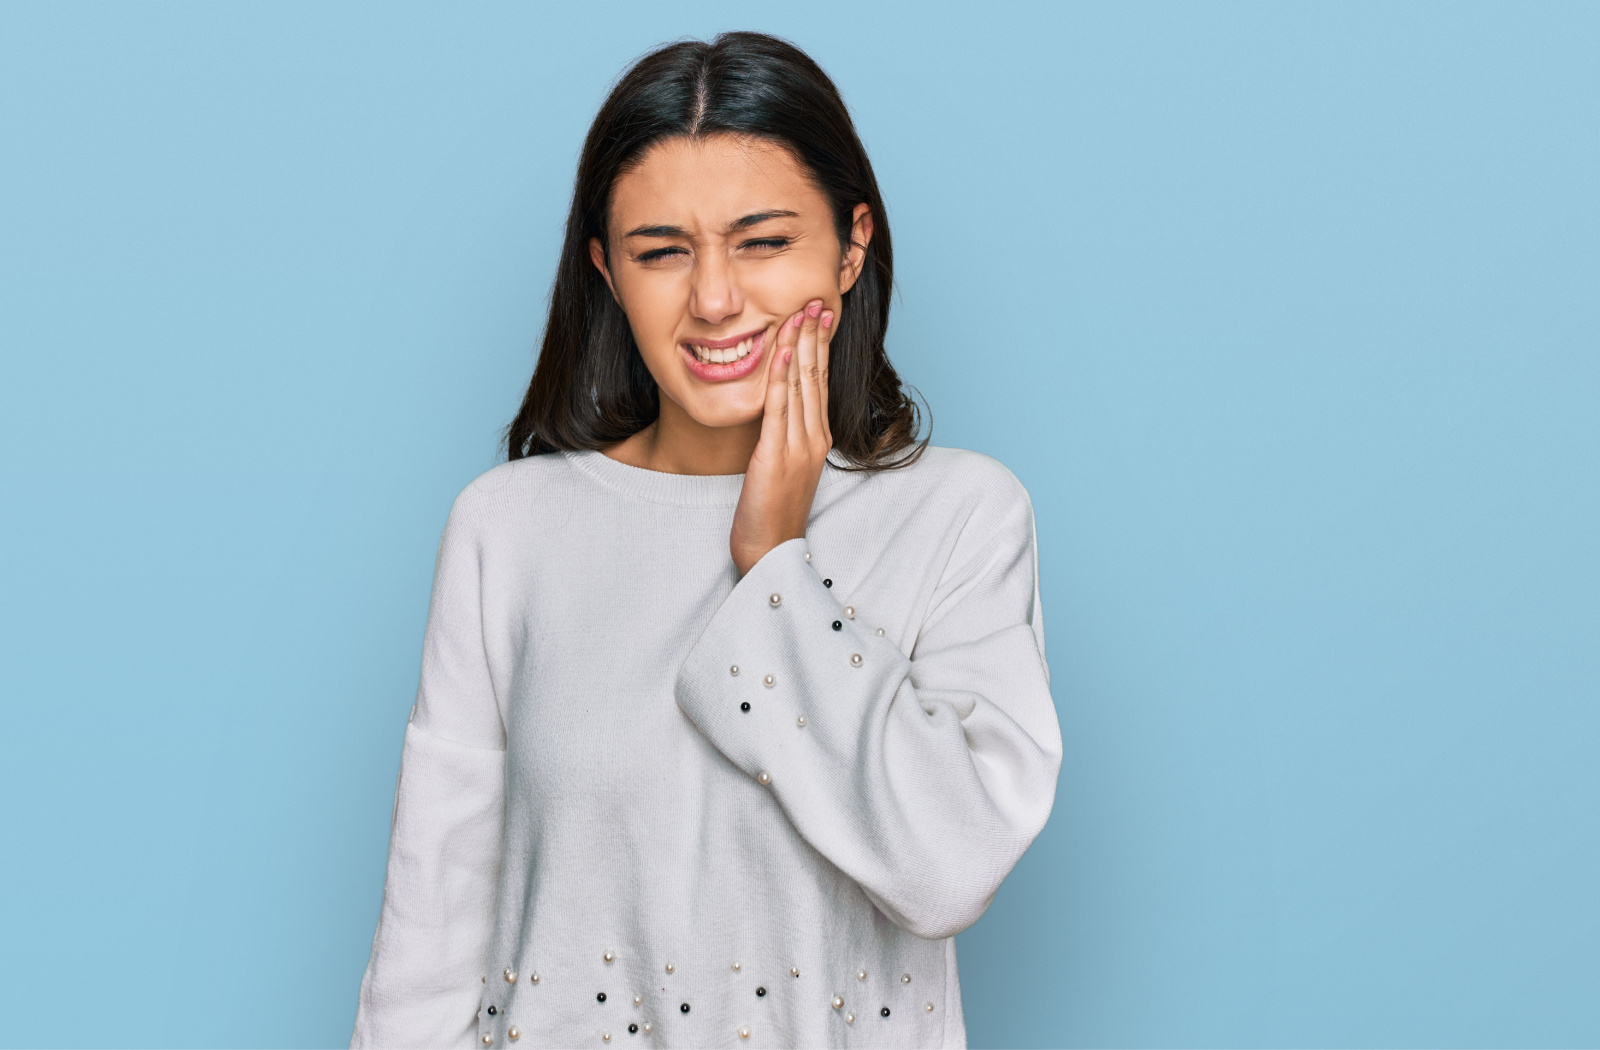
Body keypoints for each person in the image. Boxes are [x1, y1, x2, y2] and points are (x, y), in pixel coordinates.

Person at [351, 31, 1061, 1050]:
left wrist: (774, 559)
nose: (715, 298)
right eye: (660, 251)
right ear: (605, 267)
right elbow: (424, 962)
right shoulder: (507, 529)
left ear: (851, 245)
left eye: (763, 241)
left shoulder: (958, 519)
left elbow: (945, 867)